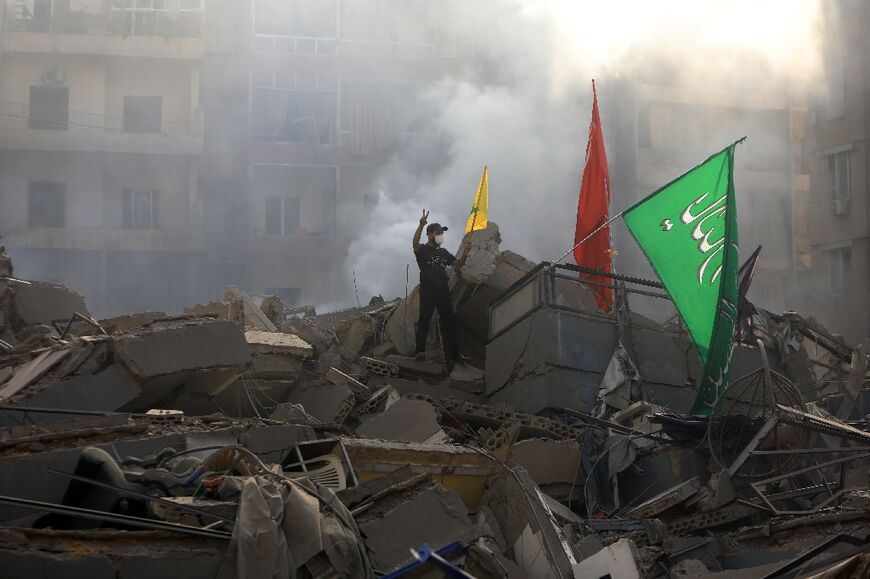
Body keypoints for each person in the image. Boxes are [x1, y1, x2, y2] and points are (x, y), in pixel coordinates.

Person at [412, 209, 470, 362]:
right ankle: (420, 352)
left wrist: (466, 252)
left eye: (442, 233)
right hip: (428, 292)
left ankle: (455, 355)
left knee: (450, 323)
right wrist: (421, 225)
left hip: (443, 292)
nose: (441, 236)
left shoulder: (443, 252)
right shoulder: (423, 250)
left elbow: (458, 264)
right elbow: (415, 244)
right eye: (438, 233)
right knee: (424, 320)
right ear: (431, 234)